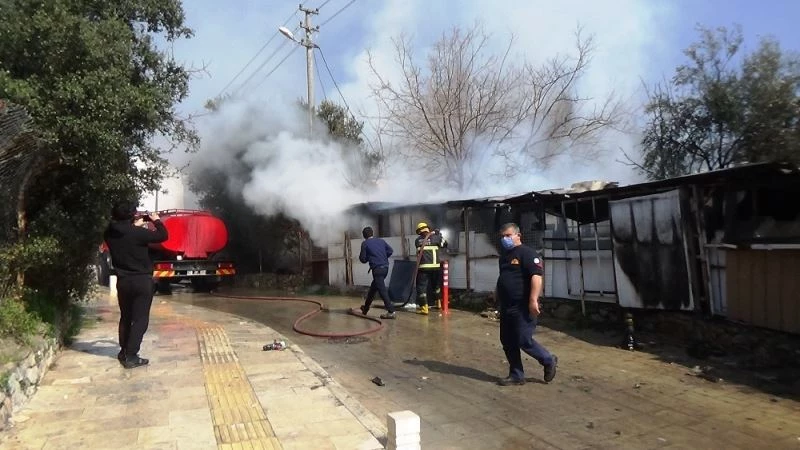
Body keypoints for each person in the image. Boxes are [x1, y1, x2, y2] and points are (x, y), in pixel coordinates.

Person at [104, 202, 168, 369]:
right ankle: (131, 355)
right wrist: (156, 220)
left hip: (123, 281)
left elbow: (123, 233)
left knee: (126, 317)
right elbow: (163, 236)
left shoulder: (109, 233)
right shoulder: (138, 233)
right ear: (132, 215)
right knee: (140, 319)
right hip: (141, 281)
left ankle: (123, 351)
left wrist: (133, 226)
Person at [494, 222, 557, 385]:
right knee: (507, 341)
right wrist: (496, 294)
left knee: (523, 339)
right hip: (507, 306)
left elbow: (536, 276)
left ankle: (548, 359)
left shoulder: (527, 253)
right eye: (502, 236)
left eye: (508, 236)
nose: (504, 239)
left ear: (518, 236)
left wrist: (533, 300)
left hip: (522, 306)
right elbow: (503, 278)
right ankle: (516, 375)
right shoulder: (504, 256)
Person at [358, 226, 397, 319]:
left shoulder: (365, 243)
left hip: (377, 270)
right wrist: (382, 257)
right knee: (372, 290)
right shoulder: (381, 241)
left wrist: (369, 257)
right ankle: (365, 308)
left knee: (382, 290)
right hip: (385, 268)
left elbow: (363, 259)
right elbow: (390, 251)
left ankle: (391, 311)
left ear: (364, 235)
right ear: (372, 233)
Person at [414, 222, 447, 315]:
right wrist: (439, 235)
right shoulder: (436, 237)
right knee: (436, 286)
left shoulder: (417, 241)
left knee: (421, 287)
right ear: (428, 229)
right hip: (436, 267)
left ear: (419, 231)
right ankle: (438, 304)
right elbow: (445, 244)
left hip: (424, 268)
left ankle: (424, 308)